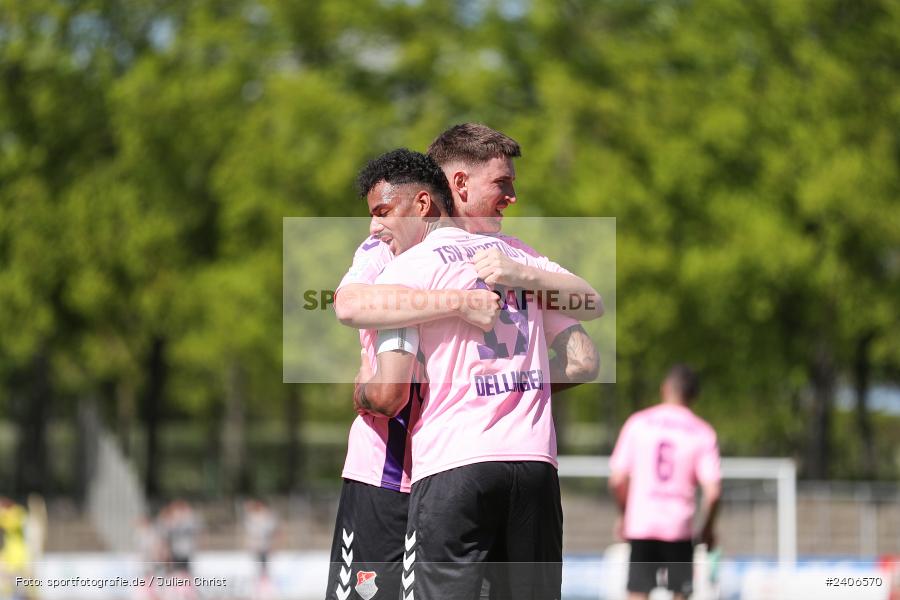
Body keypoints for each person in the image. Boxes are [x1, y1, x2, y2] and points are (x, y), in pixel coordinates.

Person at [327, 125, 601, 600]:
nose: (513, 195)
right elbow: (584, 353)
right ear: (457, 185)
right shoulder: (512, 255)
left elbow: (383, 380)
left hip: (433, 465)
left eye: (382, 214)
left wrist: (362, 391)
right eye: (503, 182)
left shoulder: (418, 259)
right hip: (524, 461)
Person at [609, 364, 722, 600]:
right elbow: (713, 494)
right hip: (678, 527)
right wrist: (708, 529)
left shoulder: (638, 423)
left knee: (638, 592)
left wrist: (625, 514)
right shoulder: (702, 432)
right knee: (680, 593)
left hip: (642, 523)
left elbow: (617, 480)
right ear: (694, 396)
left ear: (664, 389)